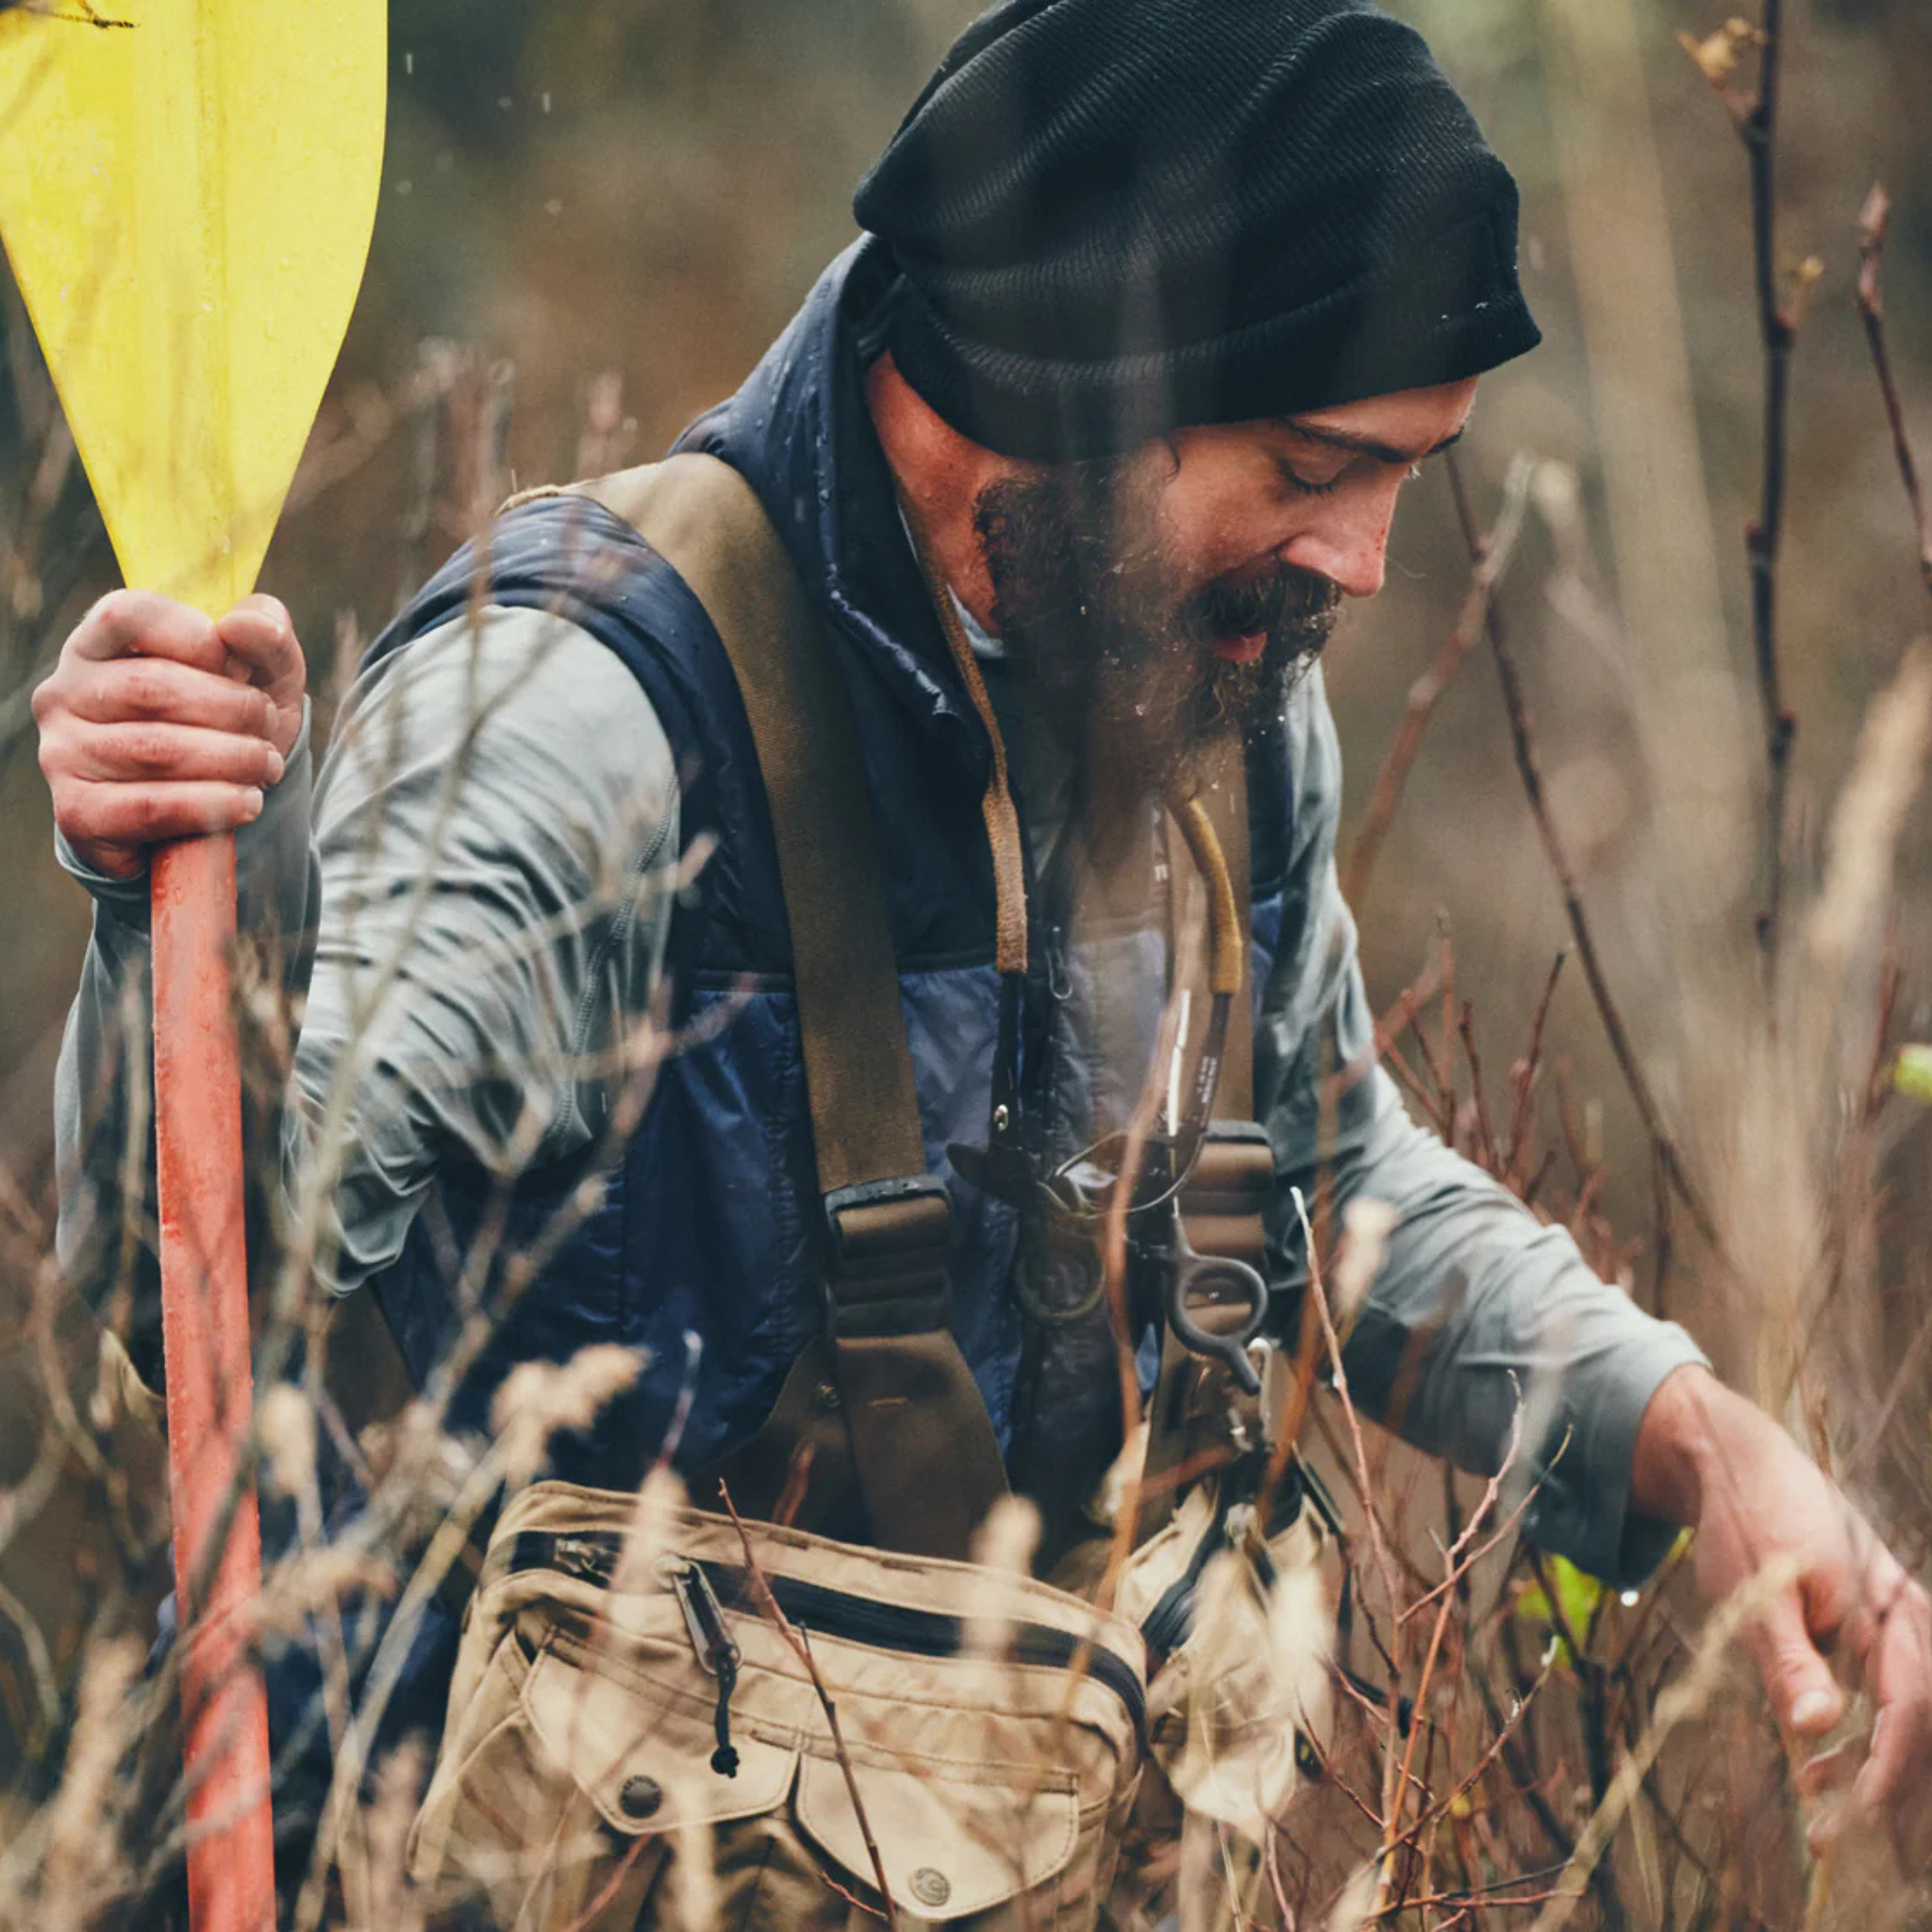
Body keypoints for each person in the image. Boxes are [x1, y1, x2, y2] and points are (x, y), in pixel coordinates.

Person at [33, 0, 1930, 1916]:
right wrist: (176, 899)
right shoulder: (580, 718)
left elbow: (1327, 1183)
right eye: (1304, 463)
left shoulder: (1211, 669)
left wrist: (1694, 1436)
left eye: (1401, 481)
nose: (1359, 561)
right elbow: (208, 1298)